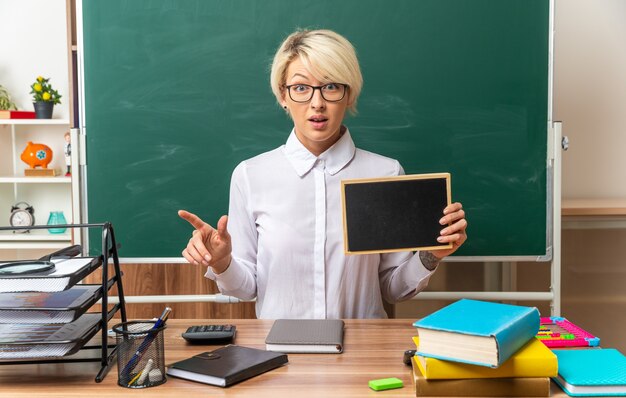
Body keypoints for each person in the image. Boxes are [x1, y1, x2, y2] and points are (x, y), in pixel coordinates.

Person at [179, 29, 467, 319]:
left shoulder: (386, 173)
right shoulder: (251, 175)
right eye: (301, 88)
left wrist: (432, 255)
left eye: (330, 87)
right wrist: (222, 262)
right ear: (283, 95)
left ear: (349, 94)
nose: (317, 103)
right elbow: (247, 287)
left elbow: (392, 289)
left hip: (361, 352)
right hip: (280, 351)